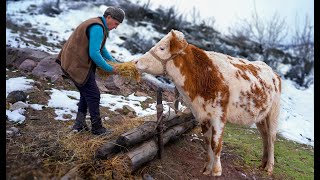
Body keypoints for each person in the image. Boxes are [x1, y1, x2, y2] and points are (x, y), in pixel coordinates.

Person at [56, 7, 125, 135]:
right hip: (77, 65)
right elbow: (94, 54)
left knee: (86, 93)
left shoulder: (98, 24)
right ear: (109, 17)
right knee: (94, 95)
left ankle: (79, 124)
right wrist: (111, 69)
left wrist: (116, 63)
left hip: (75, 62)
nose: (116, 27)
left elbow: (102, 49)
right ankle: (97, 129)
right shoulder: (98, 27)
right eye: (116, 23)